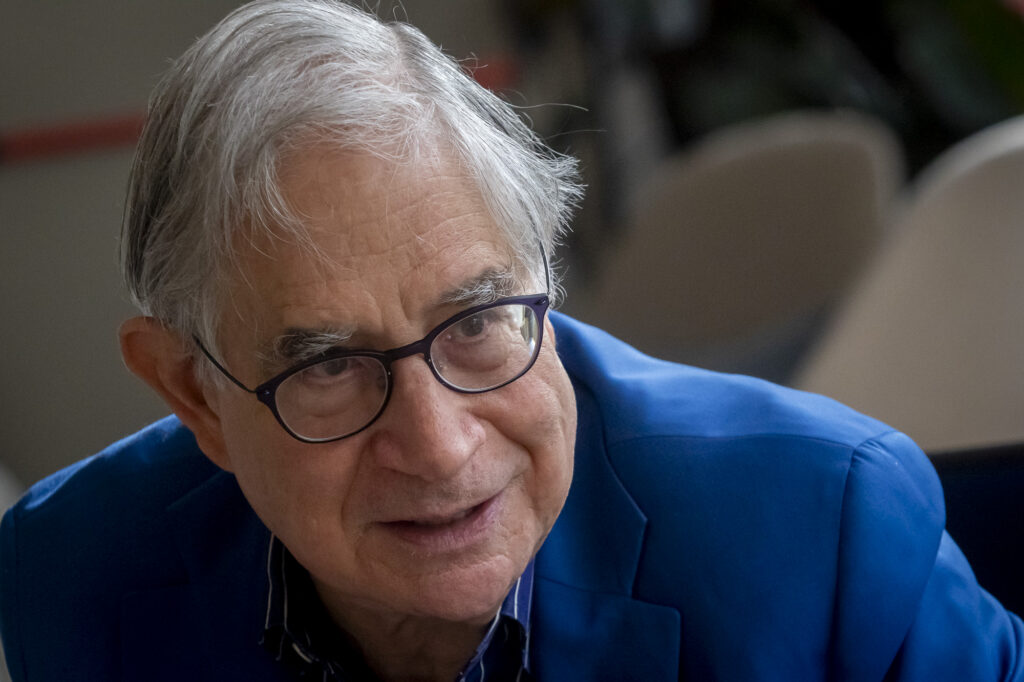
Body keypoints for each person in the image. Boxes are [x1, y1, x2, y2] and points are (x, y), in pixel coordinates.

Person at [1, 1, 1022, 680]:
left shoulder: (825, 529)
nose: (440, 447)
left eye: (478, 321)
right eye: (328, 365)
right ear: (193, 394)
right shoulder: (73, 578)